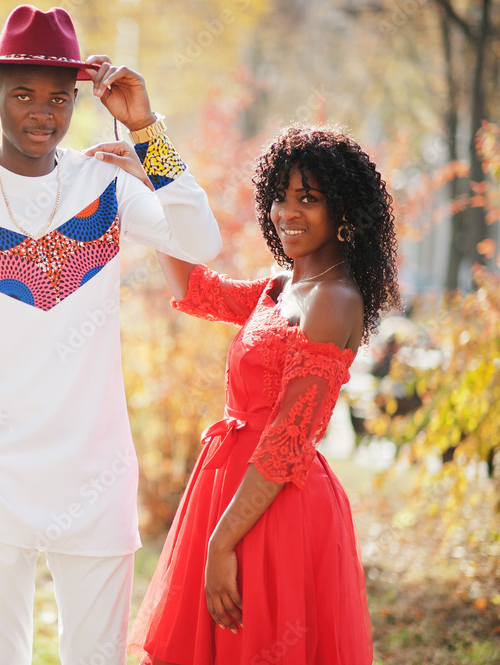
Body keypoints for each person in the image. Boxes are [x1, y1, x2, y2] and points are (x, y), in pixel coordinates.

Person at [0, 5, 221, 664]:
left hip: (95, 472)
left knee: (96, 656)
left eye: (60, 97)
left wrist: (147, 130)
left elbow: (198, 239)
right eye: (24, 94)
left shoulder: (104, 185)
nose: (44, 111)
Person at [90, 125, 398, 664]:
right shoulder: (282, 285)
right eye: (280, 197)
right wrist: (154, 175)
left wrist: (221, 542)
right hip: (227, 493)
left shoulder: (333, 299)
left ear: (344, 210)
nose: (288, 212)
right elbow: (194, 288)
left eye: (309, 199)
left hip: (273, 507)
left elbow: (285, 442)